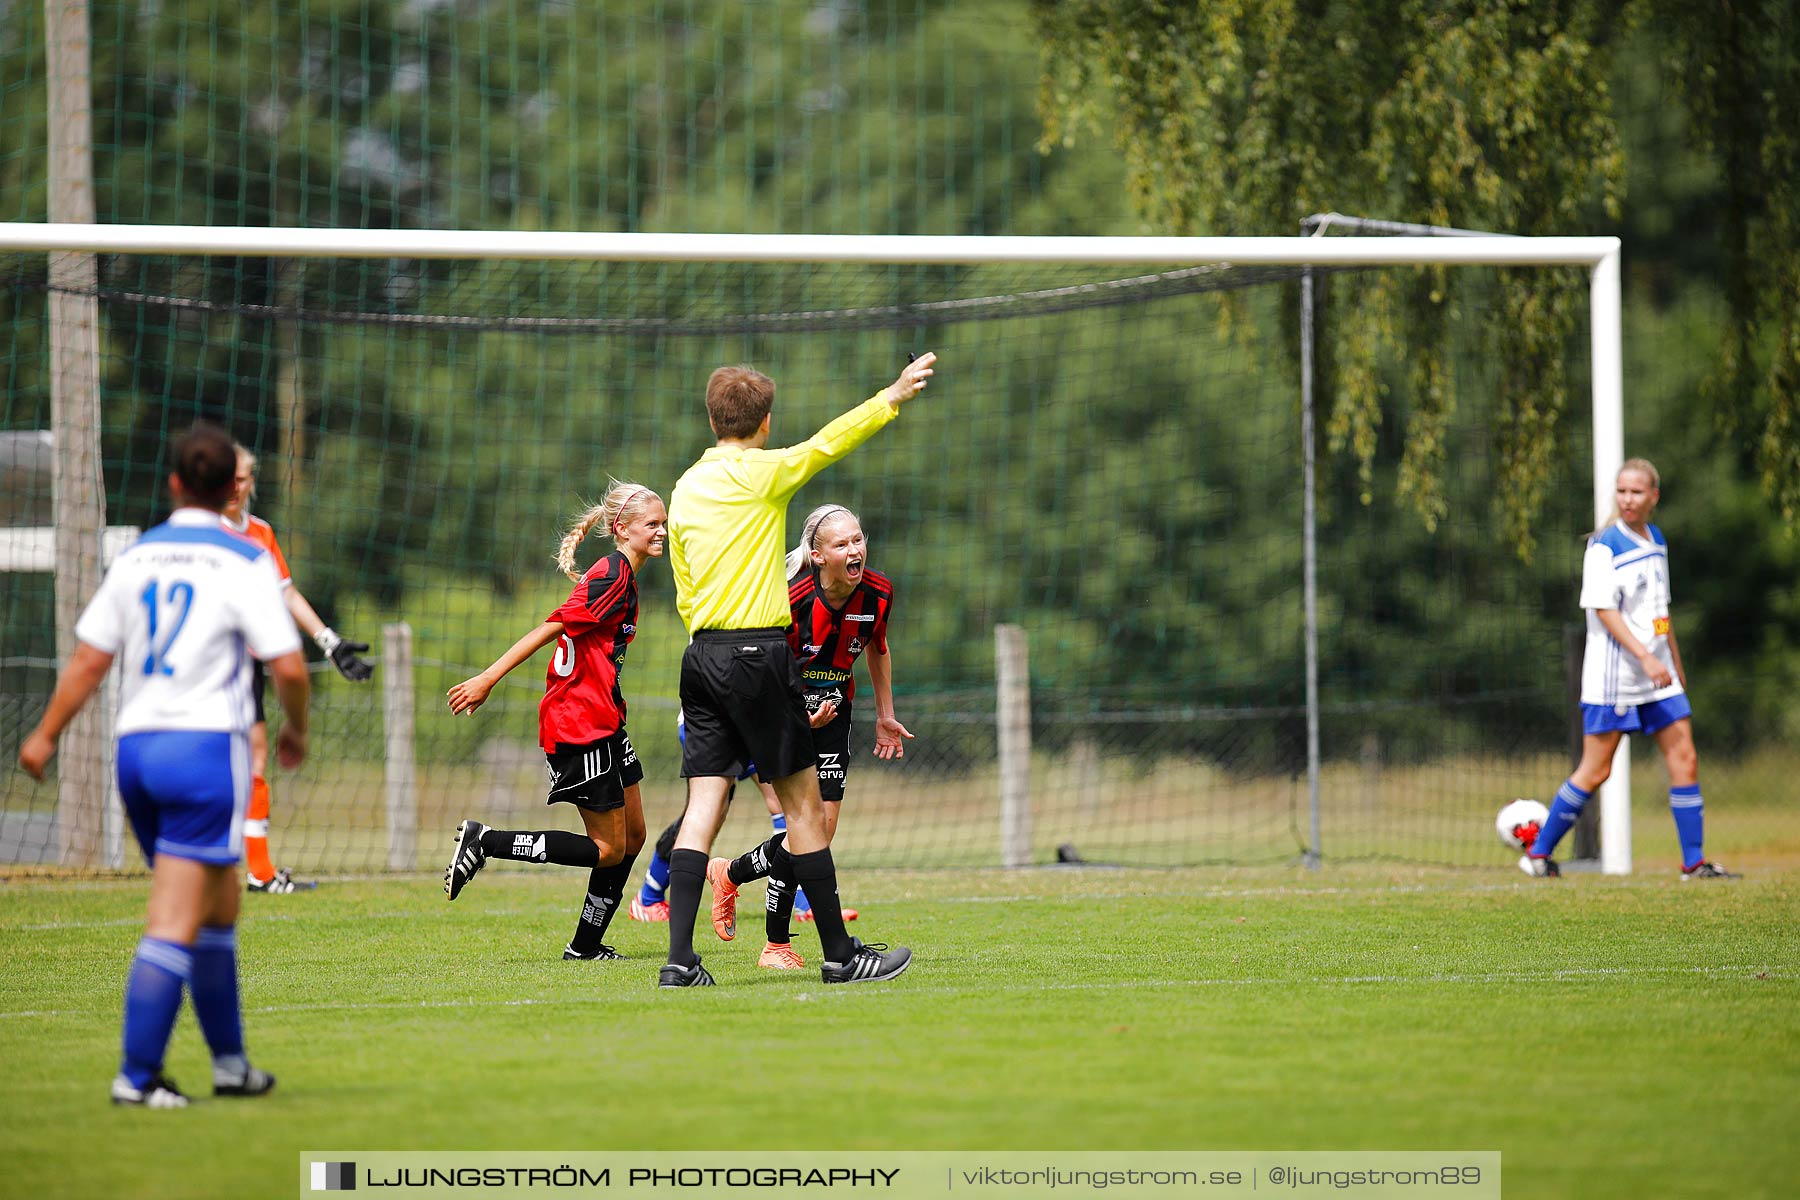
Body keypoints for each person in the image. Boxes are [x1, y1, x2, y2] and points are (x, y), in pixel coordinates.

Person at [18, 422, 310, 1107]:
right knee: (177, 916)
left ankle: (232, 1064)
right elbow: (289, 665)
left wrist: (44, 736)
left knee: (219, 905)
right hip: (203, 751)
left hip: (137, 751)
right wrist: (296, 727)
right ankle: (136, 1077)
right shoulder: (243, 561)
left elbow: (92, 658)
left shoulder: (139, 558)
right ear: (228, 487)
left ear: (175, 484)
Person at [657, 355, 934, 987]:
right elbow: (828, 443)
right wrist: (889, 396)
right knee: (806, 812)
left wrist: (709, 640)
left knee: (703, 808)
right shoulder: (764, 472)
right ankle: (840, 955)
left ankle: (680, 961)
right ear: (765, 421)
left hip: (700, 655)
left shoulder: (686, 485)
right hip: (758, 654)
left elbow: (683, 576)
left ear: (710, 417)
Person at [443, 482, 666, 961]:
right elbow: (552, 628)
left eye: (663, 522)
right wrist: (488, 677)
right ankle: (487, 841)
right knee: (607, 848)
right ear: (621, 529)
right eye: (653, 524)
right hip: (579, 724)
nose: (661, 531)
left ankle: (586, 947)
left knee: (634, 836)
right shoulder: (612, 574)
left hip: (605, 718)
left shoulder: (623, 573)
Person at [708, 503, 911, 969]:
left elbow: (878, 648)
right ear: (817, 556)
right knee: (804, 828)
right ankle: (776, 946)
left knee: (820, 831)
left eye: (858, 540)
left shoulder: (879, 593)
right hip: (781, 713)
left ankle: (731, 873)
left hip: (836, 712)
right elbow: (761, 668)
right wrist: (799, 715)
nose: (855, 550)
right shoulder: (790, 597)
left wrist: (885, 714)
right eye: (842, 544)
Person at [1524, 457, 1736, 879]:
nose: (1627, 499)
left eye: (1636, 491)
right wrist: (1644, 656)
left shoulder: (1656, 538)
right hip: (1616, 678)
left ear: (1654, 496)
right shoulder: (1604, 546)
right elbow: (1604, 611)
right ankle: (1538, 855)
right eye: (1621, 490)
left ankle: (1693, 863)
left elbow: (1660, 610)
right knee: (1596, 769)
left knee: (1685, 757)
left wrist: (1671, 659)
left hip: (1658, 675)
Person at [222, 444, 375, 893]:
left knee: (253, 758)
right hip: (206, 664)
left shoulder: (261, 533)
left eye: (243, 478)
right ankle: (207, 865)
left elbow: (285, 594)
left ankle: (259, 871)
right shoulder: (203, 533)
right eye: (227, 477)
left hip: (245, 664)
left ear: (253, 482)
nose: (236, 486)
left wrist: (329, 642)